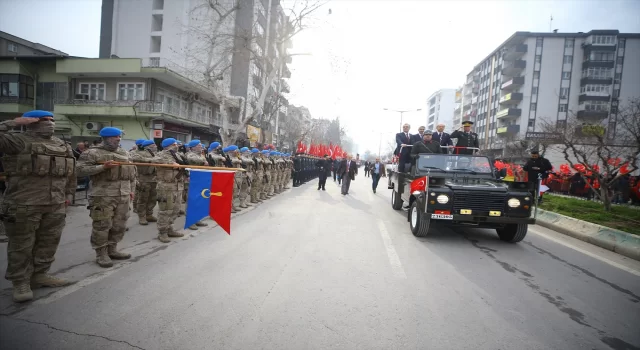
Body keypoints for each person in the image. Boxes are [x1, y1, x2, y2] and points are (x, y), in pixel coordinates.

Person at [0, 110, 76, 302]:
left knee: (48, 243)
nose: (49, 123)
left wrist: (68, 194)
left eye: (51, 120)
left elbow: (71, 173)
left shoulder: (62, 145)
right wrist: (13, 122)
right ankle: (20, 282)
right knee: (21, 245)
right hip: (24, 203)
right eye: (43, 120)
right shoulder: (17, 141)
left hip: (55, 204)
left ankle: (39, 275)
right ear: (31, 122)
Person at [77, 127, 136, 268]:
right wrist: (102, 168)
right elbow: (79, 170)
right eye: (115, 137)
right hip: (103, 196)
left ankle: (112, 249)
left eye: (119, 137)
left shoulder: (125, 153)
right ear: (106, 138)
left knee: (119, 224)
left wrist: (132, 190)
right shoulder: (92, 153)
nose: (118, 139)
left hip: (123, 195)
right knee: (102, 226)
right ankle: (101, 253)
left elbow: (133, 174)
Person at [151, 138, 186, 243]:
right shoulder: (161, 154)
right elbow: (154, 161)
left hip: (178, 186)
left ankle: (170, 228)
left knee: (175, 210)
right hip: (166, 186)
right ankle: (162, 232)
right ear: (168, 145)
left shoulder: (178, 155)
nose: (177, 146)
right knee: (166, 210)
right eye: (174, 144)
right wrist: (170, 163)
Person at [129, 140, 158, 226]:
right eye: (154, 145)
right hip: (143, 179)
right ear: (148, 146)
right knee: (142, 199)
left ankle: (149, 214)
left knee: (152, 199)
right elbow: (133, 158)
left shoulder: (156, 154)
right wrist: (150, 160)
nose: (156, 146)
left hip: (154, 179)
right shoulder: (138, 153)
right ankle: (142, 216)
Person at [185, 140, 209, 229]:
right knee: (192, 200)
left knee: (198, 200)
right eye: (198, 146)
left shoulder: (201, 155)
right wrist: (203, 161)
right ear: (193, 147)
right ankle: (190, 221)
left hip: (200, 179)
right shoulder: (190, 154)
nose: (201, 147)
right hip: (192, 179)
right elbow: (193, 159)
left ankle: (196, 219)